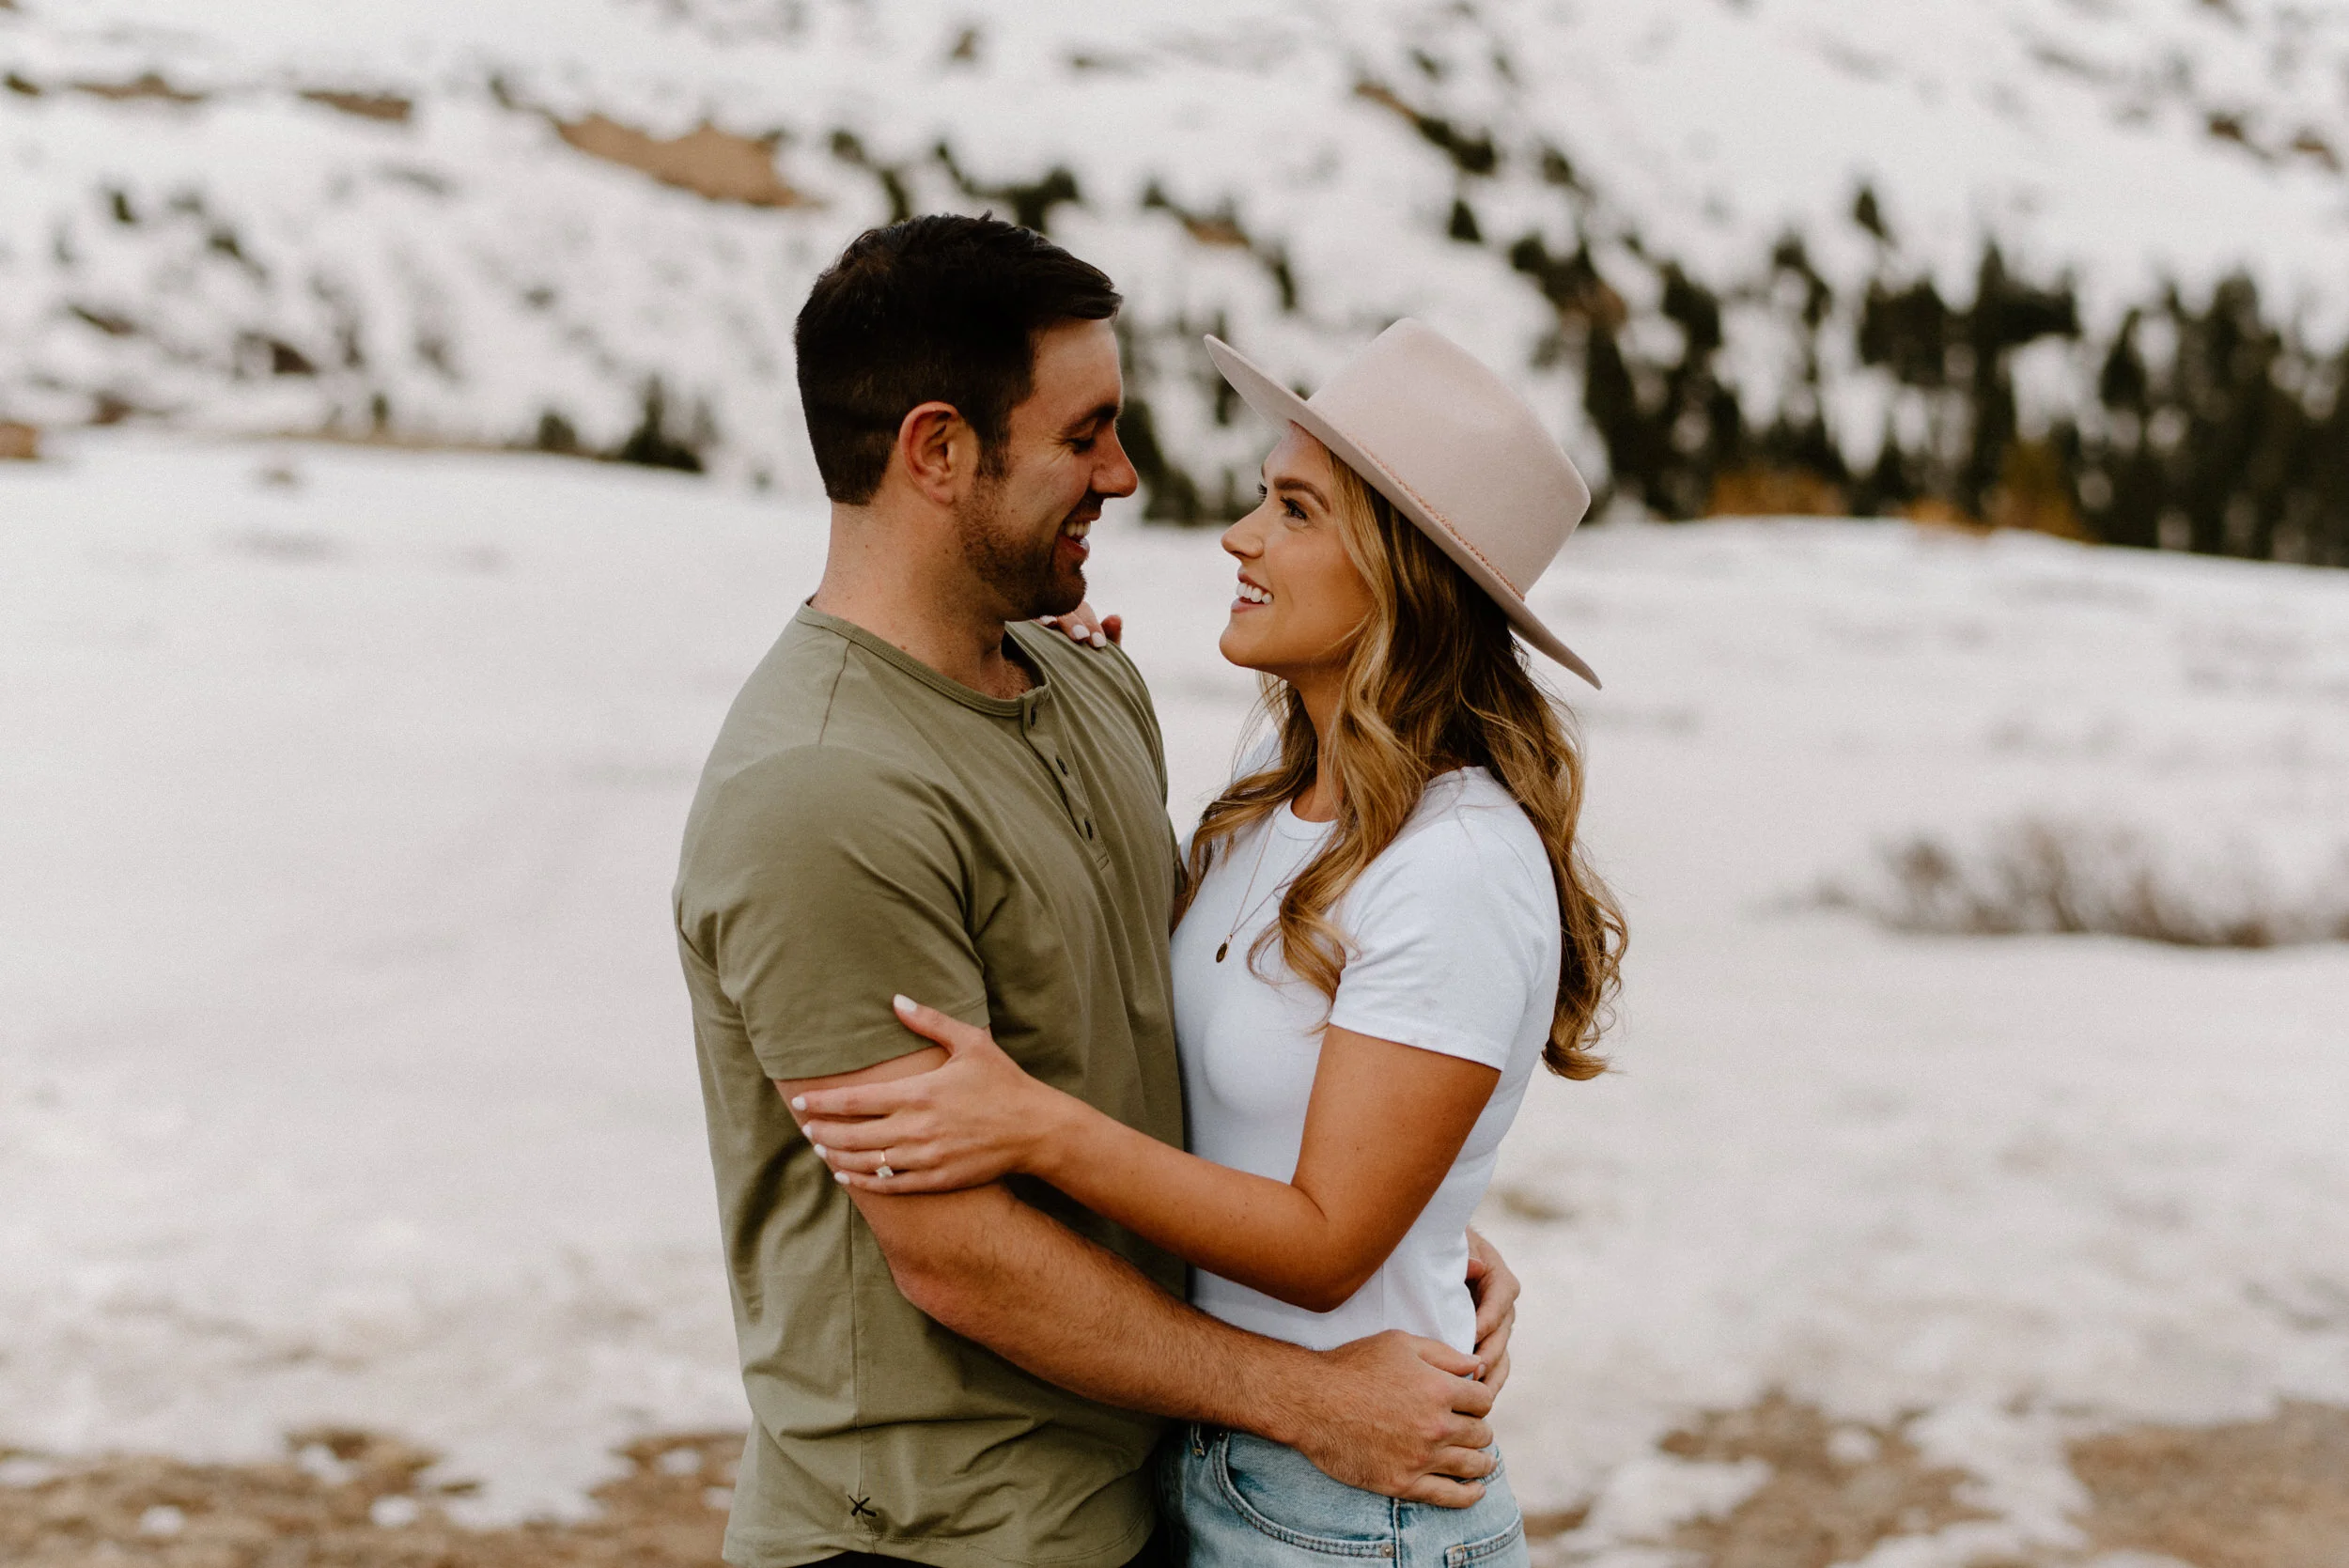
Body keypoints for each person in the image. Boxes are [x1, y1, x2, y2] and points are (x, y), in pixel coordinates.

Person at [673, 217, 1524, 1568]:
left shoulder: (1085, 685)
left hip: (1145, 1497)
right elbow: (950, 1252)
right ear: (939, 451)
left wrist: (1403, 1234)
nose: (1125, 476)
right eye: (1087, 434)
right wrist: (1306, 1392)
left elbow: (1161, 1039)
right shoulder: (822, 793)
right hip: (933, 1534)